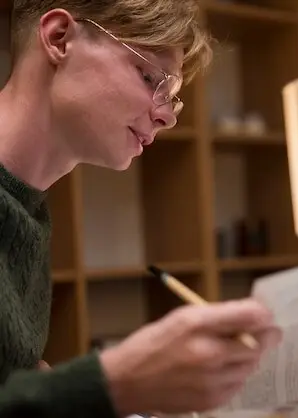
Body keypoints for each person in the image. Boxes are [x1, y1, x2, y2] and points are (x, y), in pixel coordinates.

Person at [0, 1, 282, 417]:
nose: (167, 117)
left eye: (173, 98)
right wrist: (116, 383)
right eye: (150, 77)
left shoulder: (27, 212)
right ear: (59, 38)